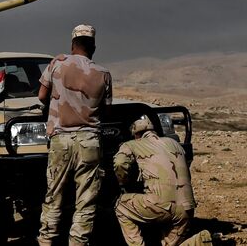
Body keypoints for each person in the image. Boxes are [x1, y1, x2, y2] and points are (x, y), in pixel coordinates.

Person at [37, 24, 112, 246]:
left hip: (61, 140)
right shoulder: (104, 74)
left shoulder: (57, 64)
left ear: (72, 44)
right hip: (89, 142)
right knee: (86, 201)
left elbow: (42, 95)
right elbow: (106, 110)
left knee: (53, 197)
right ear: (94, 47)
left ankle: (46, 241)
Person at [114, 116, 211, 246]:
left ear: (136, 134)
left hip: (161, 206)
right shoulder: (174, 143)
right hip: (187, 209)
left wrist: (122, 182)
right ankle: (200, 241)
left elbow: (120, 163)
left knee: (120, 206)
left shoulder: (132, 144)